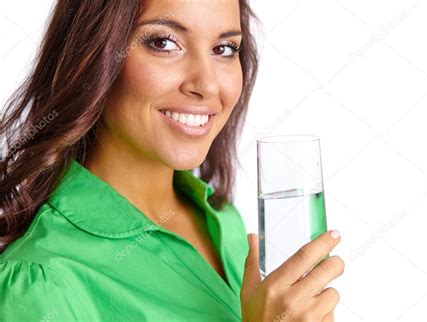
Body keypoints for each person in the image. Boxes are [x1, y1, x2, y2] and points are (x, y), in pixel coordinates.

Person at [0, 0, 344, 321]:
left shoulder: (224, 221)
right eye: (164, 43)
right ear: (92, 55)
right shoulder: (41, 282)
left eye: (224, 49)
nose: (207, 85)